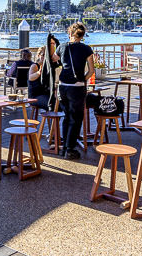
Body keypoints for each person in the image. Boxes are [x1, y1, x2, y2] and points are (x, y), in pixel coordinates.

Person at [57, 22, 94, 160]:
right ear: (82, 35)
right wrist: (82, 80)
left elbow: (54, 60)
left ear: (70, 33)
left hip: (62, 87)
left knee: (67, 116)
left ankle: (64, 147)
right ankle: (70, 149)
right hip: (77, 88)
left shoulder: (62, 47)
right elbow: (91, 71)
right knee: (76, 118)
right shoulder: (86, 49)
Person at [28, 35, 61, 113]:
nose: (45, 58)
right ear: (38, 55)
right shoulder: (35, 66)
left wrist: (53, 44)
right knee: (53, 105)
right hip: (35, 97)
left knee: (60, 104)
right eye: (43, 55)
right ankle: (52, 123)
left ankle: (54, 124)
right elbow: (30, 77)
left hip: (46, 94)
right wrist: (38, 73)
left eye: (47, 56)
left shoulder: (49, 66)